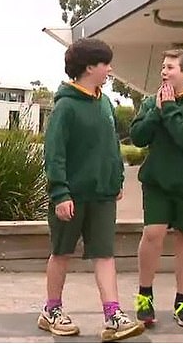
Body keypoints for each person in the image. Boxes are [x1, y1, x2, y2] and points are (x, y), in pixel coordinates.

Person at [38, 38, 145, 342]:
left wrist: (116, 181)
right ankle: (52, 311)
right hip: (70, 197)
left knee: (104, 254)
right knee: (61, 253)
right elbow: (54, 154)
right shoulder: (65, 107)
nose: (110, 69)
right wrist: (60, 193)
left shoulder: (105, 103)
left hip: (102, 196)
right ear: (88, 67)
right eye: (105, 64)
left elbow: (111, 147)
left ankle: (113, 316)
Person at [129, 49, 183, 328]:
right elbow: (138, 136)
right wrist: (157, 110)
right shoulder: (153, 102)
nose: (164, 72)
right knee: (153, 234)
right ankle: (144, 296)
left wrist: (172, 110)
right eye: (163, 67)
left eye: (171, 67)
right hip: (157, 182)